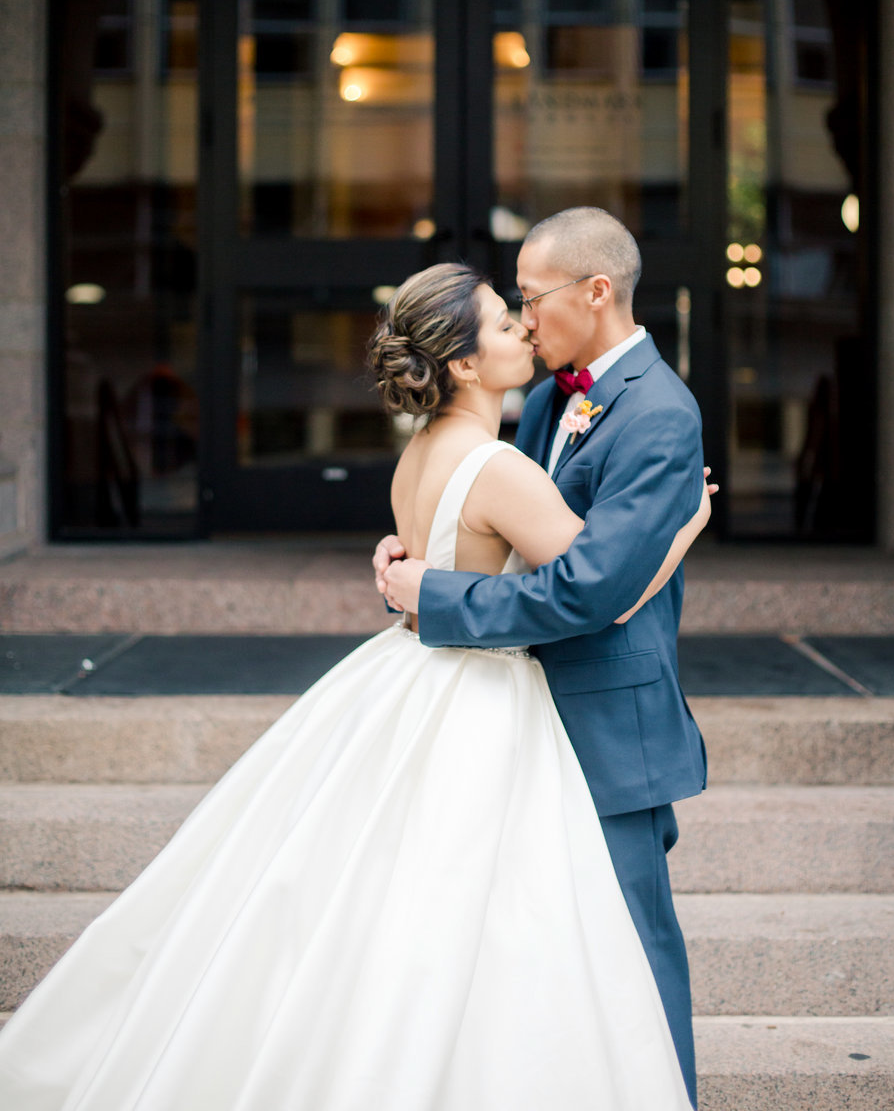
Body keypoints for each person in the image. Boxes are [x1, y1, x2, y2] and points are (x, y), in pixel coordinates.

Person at [0, 262, 706, 1111]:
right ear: (465, 367)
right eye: (501, 321)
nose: (522, 327)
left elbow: (446, 548)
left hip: (412, 674)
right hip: (480, 696)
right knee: (489, 916)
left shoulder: (421, 453)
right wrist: (683, 528)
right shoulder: (499, 466)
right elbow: (603, 589)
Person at [378, 209, 709, 1108]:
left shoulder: (659, 413)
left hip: (607, 728)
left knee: (633, 957)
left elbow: (585, 591)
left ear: (595, 292)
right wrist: (420, 569)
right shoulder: (557, 396)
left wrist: (431, 596)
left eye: (532, 297)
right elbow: (506, 536)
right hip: (517, 721)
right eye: (511, 306)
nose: (524, 319)